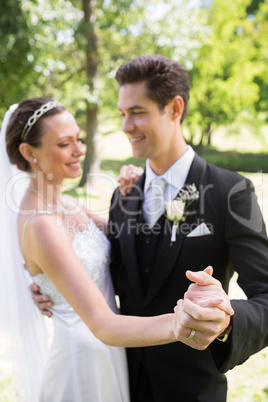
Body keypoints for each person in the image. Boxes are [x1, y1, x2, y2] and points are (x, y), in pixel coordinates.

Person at [32, 55, 268, 402]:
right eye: (122, 114)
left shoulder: (232, 193)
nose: (126, 126)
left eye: (137, 112)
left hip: (192, 391)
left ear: (174, 108)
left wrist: (227, 321)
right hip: (119, 384)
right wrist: (47, 284)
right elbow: (106, 270)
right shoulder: (123, 196)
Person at [0, 97, 227, 402]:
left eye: (79, 139)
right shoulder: (41, 224)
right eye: (65, 143)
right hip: (84, 364)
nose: (80, 150)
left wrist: (141, 190)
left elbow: (128, 242)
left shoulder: (66, 205)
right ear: (29, 152)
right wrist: (185, 323)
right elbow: (103, 324)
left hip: (111, 354)